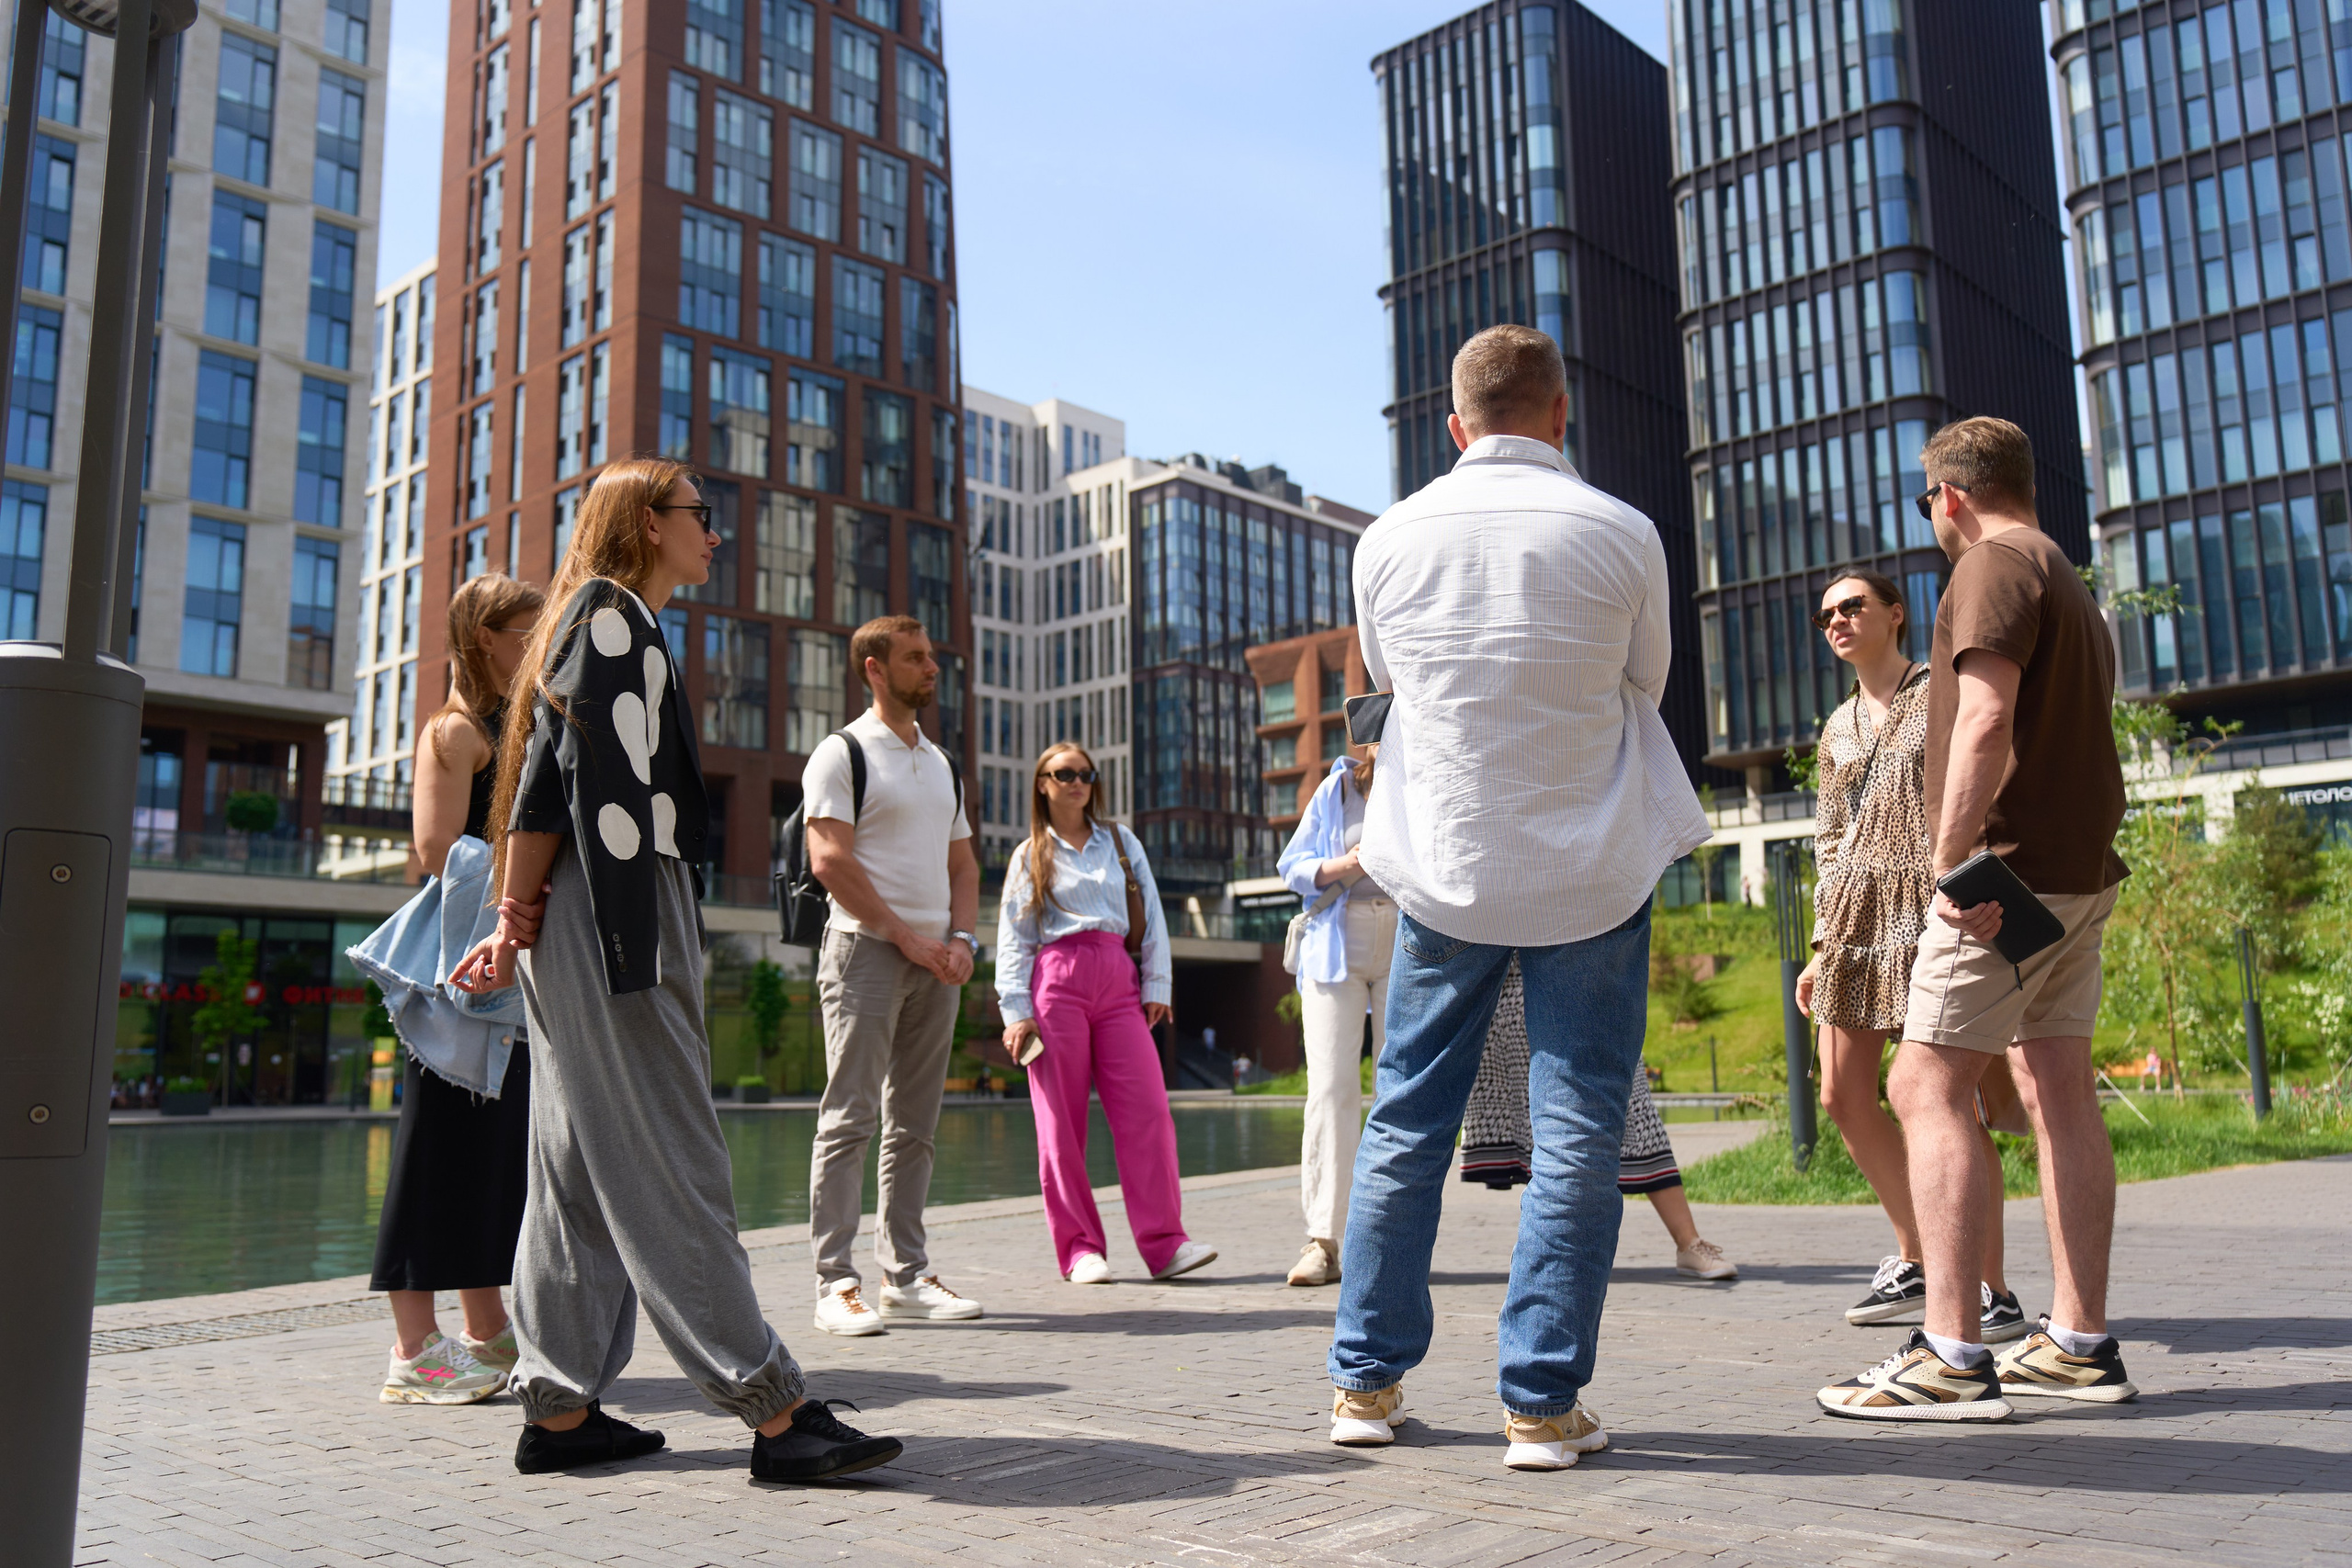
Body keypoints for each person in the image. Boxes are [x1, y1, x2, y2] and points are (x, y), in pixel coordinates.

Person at [450, 457, 900, 1483]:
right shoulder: (609, 620)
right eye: (703, 516)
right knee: (672, 1151)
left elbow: (534, 787)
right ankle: (776, 1410)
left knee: (571, 1171)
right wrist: (521, 916)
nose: (716, 533)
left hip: (591, 910)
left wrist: (518, 920)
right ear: (649, 524)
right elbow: (546, 790)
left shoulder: (601, 621)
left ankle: (558, 1411)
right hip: (617, 913)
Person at [1326, 324, 1710, 1472]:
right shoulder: (1623, 530)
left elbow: (1391, 684)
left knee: (1404, 1122)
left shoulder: (1386, 537)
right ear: (1558, 414)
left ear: (1456, 424)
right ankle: (1541, 1406)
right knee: (1580, 1125)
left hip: (1446, 865)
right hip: (1589, 867)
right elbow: (1645, 681)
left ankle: (1365, 1384)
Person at [1817, 417, 2136, 1422]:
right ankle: (2079, 1342)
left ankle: (1951, 1351)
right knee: (2054, 1087)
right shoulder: (2063, 574)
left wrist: (1950, 864)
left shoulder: (1988, 570)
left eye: (1927, 502)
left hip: (2004, 879)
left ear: (1950, 495)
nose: (1932, 520)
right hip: (2078, 873)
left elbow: (1987, 723)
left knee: (1921, 1083)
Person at [1796, 570, 2027, 1344]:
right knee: (1841, 1093)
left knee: (1945, 1100)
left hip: (1933, 903)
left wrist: (1976, 874)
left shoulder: (1940, 691)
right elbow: (1829, 840)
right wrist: (1822, 941)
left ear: (1896, 614)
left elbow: (1991, 775)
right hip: (1857, 917)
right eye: (1826, 612)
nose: (1838, 619)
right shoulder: (1835, 728)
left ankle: (1990, 1288)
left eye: (1853, 605)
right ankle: (1920, 1252)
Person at [372, 572, 545, 1404]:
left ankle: (485, 1328)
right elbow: (438, 849)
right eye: (525, 632)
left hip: (502, 973)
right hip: (454, 979)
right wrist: (527, 890)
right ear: (486, 636)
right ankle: (413, 1347)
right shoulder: (455, 731)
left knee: (489, 1152)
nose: (537, 645)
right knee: (432, 1152)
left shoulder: (516, 725)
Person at [804, 615, 985, 1334]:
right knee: (849, 1117)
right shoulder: (841, 752)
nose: (931, 667)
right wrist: (905, 936)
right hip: (865, 953)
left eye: (932, 655)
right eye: (916, 657)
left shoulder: (940, 762)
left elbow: (963, 864)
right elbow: (830, 861)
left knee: (916, 1124)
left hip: (936, 959)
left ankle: (905, 1275)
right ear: (875, 668)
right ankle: (834, 1282)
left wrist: (963, 938)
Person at [994, 742, 1215, 1285]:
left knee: (1148, 1112)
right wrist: (1015, 1012)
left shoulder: (1120, 841)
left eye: (1086, 774)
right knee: (1060, 1126)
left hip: (1117, 978)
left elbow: (1155, 915)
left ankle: (1165, 1246)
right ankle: (1079, 1249)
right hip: (1055, 983)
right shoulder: (1029, 855)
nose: (1077, 782)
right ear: (1042, 784)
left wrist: (1156, 982)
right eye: (1064, 773)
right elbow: (1013, 940)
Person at [1461, 961, 1736, 1281]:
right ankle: (1546, 1253)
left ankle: (1688, 1242)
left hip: (1587, 982)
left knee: (1635, 1113)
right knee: (1541, 1141)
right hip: (1507, 997)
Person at [1275, 745, 1396, 1287]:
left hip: (1409, 943)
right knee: (1330, 1091)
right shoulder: (1338, 790)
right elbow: (1291, 867)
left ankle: (1396, 1239)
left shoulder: (1430, 781)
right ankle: (1322, 1240)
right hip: (1335, 946)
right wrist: (1345, 864)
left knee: (1403, 1093)